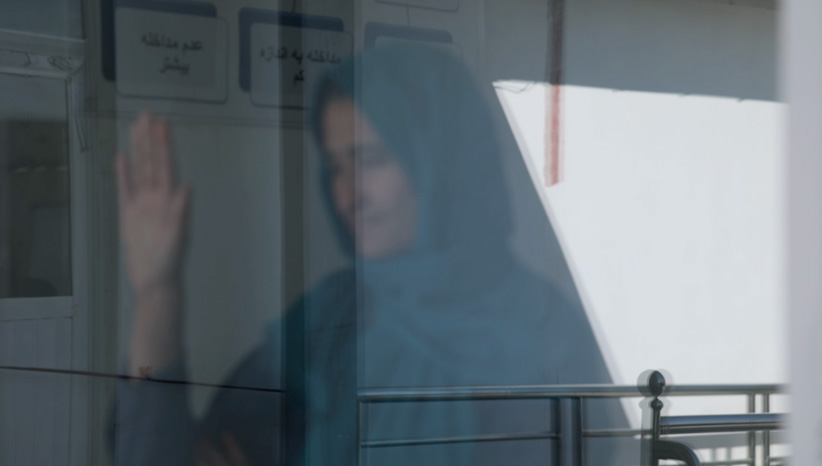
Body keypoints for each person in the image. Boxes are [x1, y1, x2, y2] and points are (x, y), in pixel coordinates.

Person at [113, 44, 625, 466]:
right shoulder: (333, 317)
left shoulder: (539, 334)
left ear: (440, 166)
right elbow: (172, 456)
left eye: (371, 160)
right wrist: (157, 292)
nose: (347, 194)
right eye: (336, 166)